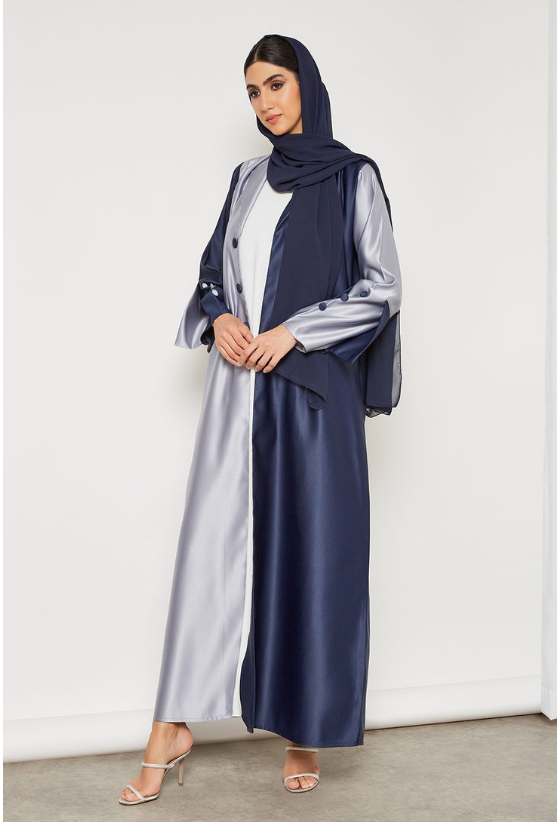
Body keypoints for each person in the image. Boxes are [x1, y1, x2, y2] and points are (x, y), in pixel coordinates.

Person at [119, 33, 403, 805]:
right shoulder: (246, 179)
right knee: (209, 550)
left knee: (309, 552)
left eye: (275, 84)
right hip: (236, 390)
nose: (264, 102)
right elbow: (214, 271)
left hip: (310, 394)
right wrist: (218, 319)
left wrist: (294, 331)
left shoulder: (353, 176)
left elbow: (381, 287)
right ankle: (169, 727)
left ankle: (301, 728)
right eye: (252, 91)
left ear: (304, 83)